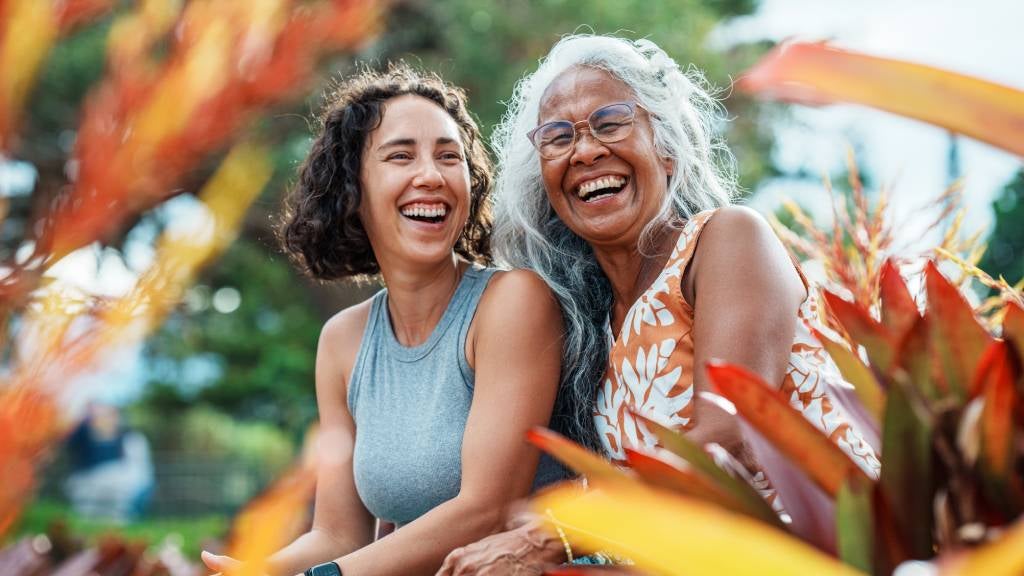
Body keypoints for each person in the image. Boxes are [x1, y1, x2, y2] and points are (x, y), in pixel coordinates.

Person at [439, 34, 881, 574]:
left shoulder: (727, 240)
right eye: (558, 137)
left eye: (610, 123)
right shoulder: (588, 330)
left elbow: (726, 439)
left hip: (824, 554)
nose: (585, 151)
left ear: (666, 150)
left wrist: (552, 538)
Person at [201, 63, 569, 576]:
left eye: (449, 156)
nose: (431, 176)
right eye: (401, 156)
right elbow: (337, 534)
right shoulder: (342, 342)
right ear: (352, 187)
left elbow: (487, 509)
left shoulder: (512, 301)